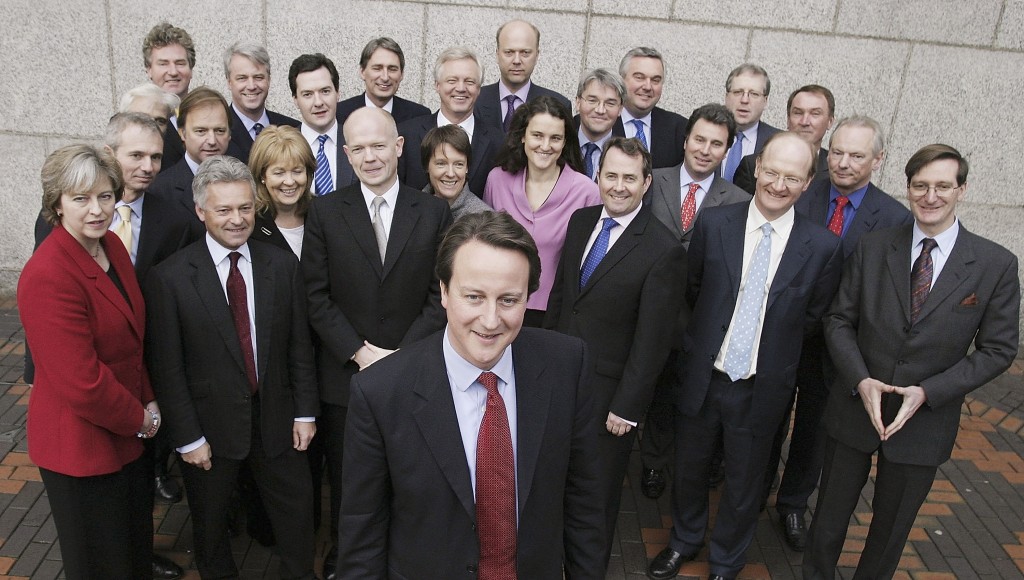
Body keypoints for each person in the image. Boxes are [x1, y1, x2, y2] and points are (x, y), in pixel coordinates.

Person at [338, 211, 606, 579]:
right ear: (444, 292)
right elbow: (362, 534)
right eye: (474, 297)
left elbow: (584, 504)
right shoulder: (380, 392)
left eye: (509, 300)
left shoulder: (567, 366)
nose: (491, 320)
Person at [803, 144, 1020, 579]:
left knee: (889, 534)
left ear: (962, 190)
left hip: (924, 421)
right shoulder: (873, 246)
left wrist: (930, 392)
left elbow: (999, 350)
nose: (930, 195)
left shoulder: (995, 264)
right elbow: (840, 319)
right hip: (854, 408)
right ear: (908, 189)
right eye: (920, 185)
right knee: (826, 524)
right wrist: (860, 379)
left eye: (943, 185)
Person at [647, 133, 843, 580]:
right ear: (756, 168)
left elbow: (811, 319)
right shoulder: (716, 224)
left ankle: (727, 560)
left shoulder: (824, 248)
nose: (778, 184)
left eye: (791, 177)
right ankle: (684, 540)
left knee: (744, 482)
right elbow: (694, 290)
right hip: (705, 372)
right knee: (690, 468)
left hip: (762, 384)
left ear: (808, 182)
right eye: (771, 171)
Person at [145, 156, 319, 579]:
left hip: (277, 416)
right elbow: (168, 368)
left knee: (297, 517)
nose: (237, 219)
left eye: (245, 207)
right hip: (210, 428)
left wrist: (305, 412)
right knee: (210, 527)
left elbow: (299, 345)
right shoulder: (170, 279)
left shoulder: (280, 265)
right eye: (224, 210)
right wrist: (187, 438)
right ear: (201, 212)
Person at [302, 106, 452, 579]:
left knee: (412, 474)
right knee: (350, 481)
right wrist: (363, 353)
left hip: (416, 371)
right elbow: (316, 295)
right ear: (346, 154)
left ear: (399, 147)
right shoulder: (325, 211)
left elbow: (439, 293)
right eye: (359, 148)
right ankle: (349, 559)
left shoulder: (432, 211)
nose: (370, 157)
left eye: (379, 145)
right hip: (348, 376)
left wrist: (402, 356)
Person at [768, 115, 912, 551]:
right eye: (838, 152)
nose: (844, 163)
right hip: (783, 330)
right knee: (766, 416)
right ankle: (753, 489)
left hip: (839, 345)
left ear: (878, 159)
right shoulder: (798, 190)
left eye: (857, 155)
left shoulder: (893, 218)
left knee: (814, 428)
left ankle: (792, 503)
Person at [19, 143, 160, 579]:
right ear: (56, 205)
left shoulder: (112, 246)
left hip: (126, 433)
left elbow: (134, 340)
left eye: (104, 195)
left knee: (133, 553)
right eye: (80, 198)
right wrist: (141, 418)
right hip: (81, 447)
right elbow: (81, 381)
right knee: (101, 564)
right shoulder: (48, 275)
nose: (96, 209)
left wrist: (148, 400)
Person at [545, 137, 686, 565]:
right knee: (551, 487)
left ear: (646, 183)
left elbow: (653, 339)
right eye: (611, 176)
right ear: (598, 177)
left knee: (596, 501)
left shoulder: (663, 249)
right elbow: (561, 298)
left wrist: (627, 407)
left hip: (609, 400)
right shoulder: (582, 220)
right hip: (558, 381)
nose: (619, 186)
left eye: (630, 177)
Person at [639, 103, 750, 500]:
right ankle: (649, 459)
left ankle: (671, 461)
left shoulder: (738, 199)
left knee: (680, 393)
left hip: (701, 318)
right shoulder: (652, 180)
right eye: (699, 139)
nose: (705, 149)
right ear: (685, 140)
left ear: (727, 151)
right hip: (646, 309)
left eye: (716, 144)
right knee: (646, 386)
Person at [484, 95, 600, 327]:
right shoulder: (497, 179)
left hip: (554, 314)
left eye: (555, 138)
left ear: (565, 142)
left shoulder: (587, 192)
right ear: (523, 136)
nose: (545, 146)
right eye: (537, 135)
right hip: (498, 307)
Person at [397, 47, 503, 195]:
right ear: (437, 85)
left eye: (469, 81)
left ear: (479, 89)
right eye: (452, 80)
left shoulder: (499, 142)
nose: (461, 88)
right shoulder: (407, 135)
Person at [475, 19, 571, 134]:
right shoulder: (475, 100)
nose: (516, 60)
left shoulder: (560, 104)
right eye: (509, 52)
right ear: (497, 54)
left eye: (525, 52)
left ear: (536, 56)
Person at [734, 85, 835, 194]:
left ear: (830, 121)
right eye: (798, 113)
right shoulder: (752, 165)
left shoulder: (835, 169)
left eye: (815, 114)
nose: (805, 122)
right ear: (788, 120)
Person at [150, 86, 234, 215]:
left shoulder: (244, 181)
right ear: (182, 133)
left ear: (229, 134)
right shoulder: (160, 190)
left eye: (219, 131)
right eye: (201, 131)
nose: (212, 141)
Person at [289, 53, 356, 195]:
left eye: (325, 91)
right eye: (307, 94)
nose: (318, 102)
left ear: (337, 93)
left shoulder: (358, 141)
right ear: (295, 100)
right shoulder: (283, 147)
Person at [223, 41, 300, 163]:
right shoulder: (218, 133)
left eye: (258, 77)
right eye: (242, 78)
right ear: (229, 82)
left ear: (269, 80)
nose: (251, 86)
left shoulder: (293, 129)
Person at [613, 47, 688, 168]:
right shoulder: (602, 120)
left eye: (655, 80)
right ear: (621, 80)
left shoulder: (679, 129)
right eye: (639, 77)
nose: (647, 86)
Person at [248, 125, 315, 258]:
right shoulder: (251, 224)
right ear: (262, 175)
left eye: (297, 171)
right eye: (279, 173)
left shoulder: (324, 215)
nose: (289, 181)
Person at [335, 37, 430, 126]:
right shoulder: (339, 114)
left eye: (392, 69)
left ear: (402, 74)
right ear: (362, 72)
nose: (385, 77)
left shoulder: (419, 116)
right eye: (377, 68)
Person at [143, 22, 196, 168]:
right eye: (163, 64)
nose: (173, 72)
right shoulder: (134, 119)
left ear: (191, 69)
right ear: (149, 70)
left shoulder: (207, 114)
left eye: (180, 63)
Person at [721, 63, 779, 182]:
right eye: (738, 92)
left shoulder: (778, 142)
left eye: (754, 94)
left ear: (765, 101)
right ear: (726, 97)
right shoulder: (708, 134)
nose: (744, 100)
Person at [421, 125, 491, 220]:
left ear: (467, 168)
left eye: (459, 164)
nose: (450, 174)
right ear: (426, 166)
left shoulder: (484, 219)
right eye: (441, 164)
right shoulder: (410, 209)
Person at [574, 68, 626, 181]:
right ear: (578, 103)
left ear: (620, 109)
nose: (600, 110)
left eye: (610, 103)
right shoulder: (559, 143)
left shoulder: (627, 154)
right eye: (592, 100)